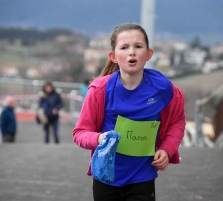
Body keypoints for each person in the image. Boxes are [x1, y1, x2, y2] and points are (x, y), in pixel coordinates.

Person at [72, 23, 186, 201]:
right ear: (113, 56)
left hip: (143, 178)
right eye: (124, 47)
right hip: (105, 177)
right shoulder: (99, 90)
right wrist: (100, 138)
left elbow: (177, 121)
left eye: (138, 46)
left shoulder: (163, 89)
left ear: (149, 54)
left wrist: (167, 149)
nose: (132, 52)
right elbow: (79, 133)